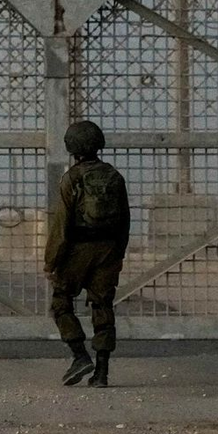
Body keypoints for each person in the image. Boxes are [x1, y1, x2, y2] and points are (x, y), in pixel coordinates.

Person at [45, 120, 130, 388]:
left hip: (78, 250)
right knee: (102, 306)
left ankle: (80, 356)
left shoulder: (72, 178)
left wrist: (51, 262)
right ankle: (102, 373)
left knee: (61, 301)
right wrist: (118, 253)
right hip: (109, 249)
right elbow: (125, 220)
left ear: (72, 147)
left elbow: (61, 225)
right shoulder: (114, 176)